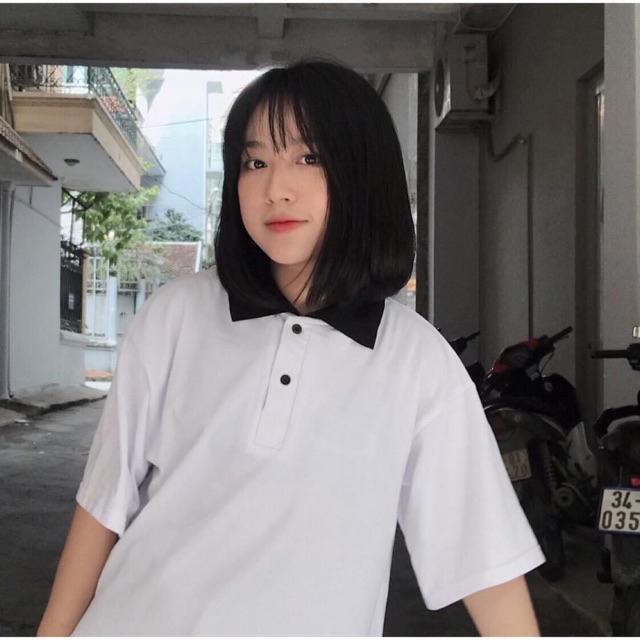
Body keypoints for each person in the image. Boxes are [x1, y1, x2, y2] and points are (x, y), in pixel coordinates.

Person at [37, 59, 544, 637]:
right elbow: (103, 505)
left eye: (309, 158)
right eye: (255, 162)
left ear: (365, 173)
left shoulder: (417, 363)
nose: (276, 189)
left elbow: (483, 561)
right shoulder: (175, 317)